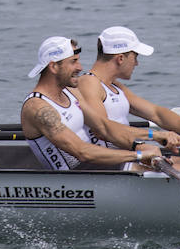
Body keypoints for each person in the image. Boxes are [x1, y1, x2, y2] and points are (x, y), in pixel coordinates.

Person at [77, 26, 180, 173]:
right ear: (120, 58)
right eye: (135, 57)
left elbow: (156, 113)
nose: (137, 63)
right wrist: (153, 137)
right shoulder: (88, 83)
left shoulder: (114, 87)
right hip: (110, 165)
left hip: (131, 157)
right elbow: (103, 130)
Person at [21, 36, 164, 171]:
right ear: (53, 67)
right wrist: (138, 155)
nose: (80, 67)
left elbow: (103, 127)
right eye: (73, 61)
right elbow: (82, 151)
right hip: (77, 178)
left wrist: (139, 145)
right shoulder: (38, 108)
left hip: (97, 165)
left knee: (179, 163)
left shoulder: (71, 92)